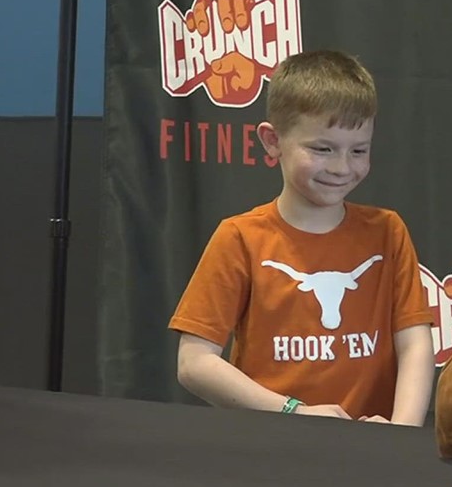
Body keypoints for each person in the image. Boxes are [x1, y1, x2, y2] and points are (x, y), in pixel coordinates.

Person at [170, 50, 436, 426]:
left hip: (373, 449)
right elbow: (194, 362)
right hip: (273, 449)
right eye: (321, 149)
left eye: (359, 150)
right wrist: (295, 413)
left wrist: (401, 430)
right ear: (272, 140)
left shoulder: (387, 231)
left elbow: (414, 343)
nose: (343, 167)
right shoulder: (240, 237)